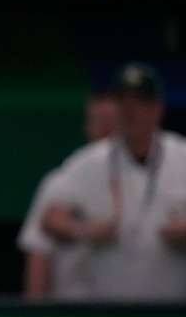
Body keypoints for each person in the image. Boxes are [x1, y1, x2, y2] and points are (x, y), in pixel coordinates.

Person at [38, 63, 186, 302]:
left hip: (183, 314)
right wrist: (85, 230)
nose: (130, 110)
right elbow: (50, 218)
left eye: (140, 102)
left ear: (158, 108)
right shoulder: (89, 162)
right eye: (123, 102)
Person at [19, 91, 119, 300]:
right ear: (87, 127)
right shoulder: (60, 180)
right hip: (73, 314)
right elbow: (39, 254)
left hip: (137, 313)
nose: (105, 131)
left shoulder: (148, 180)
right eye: (98, 121)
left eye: (112, 122)